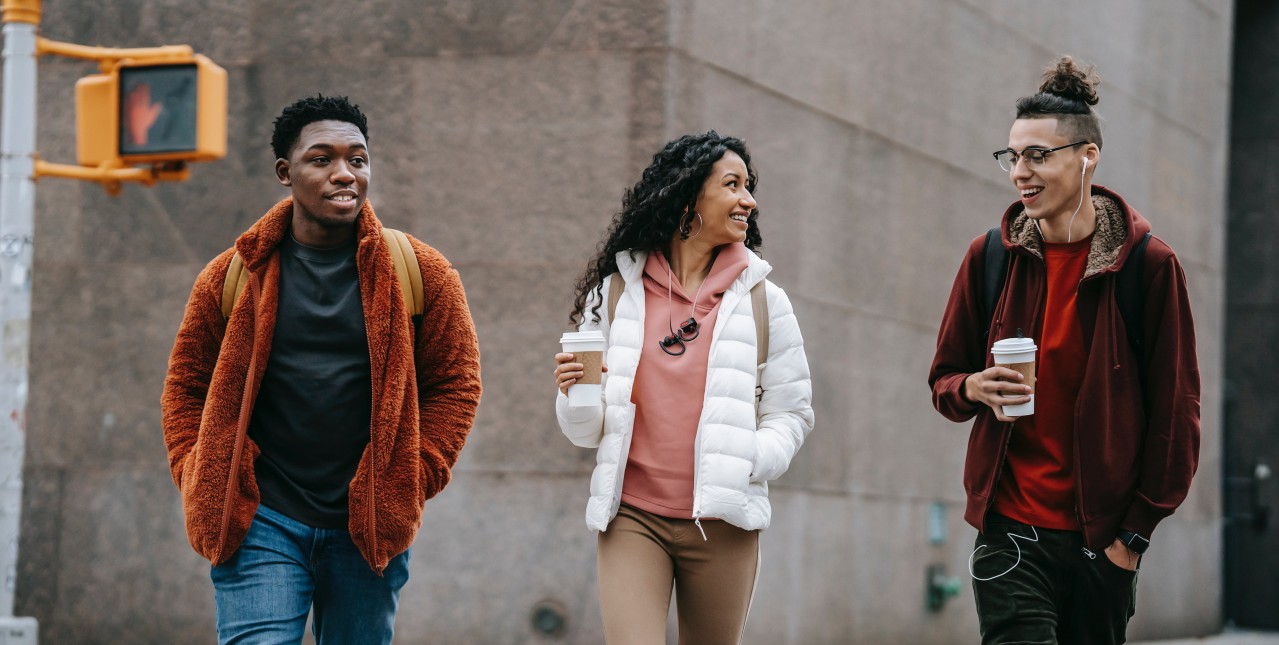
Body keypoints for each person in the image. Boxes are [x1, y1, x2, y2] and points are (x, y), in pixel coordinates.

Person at [161, 95, 482, 644]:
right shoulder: (233, 275)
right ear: (286, 173)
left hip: (368, 525)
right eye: (322, 159)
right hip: (261, 518)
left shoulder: (420, 271)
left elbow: (457, 384)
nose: (344, 174)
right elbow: (186, 386)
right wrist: (203, 474)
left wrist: (413, 473)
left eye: (357, 159)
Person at [928, 57, 1201, 644]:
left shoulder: (1148, 266)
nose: (1019, 173)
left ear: (1087, 157)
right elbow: (945, 382)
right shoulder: (990, 258)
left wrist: (1132, 538)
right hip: (1008, 530)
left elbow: (1176, 415)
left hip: (1100, 542)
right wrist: (973, 387)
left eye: (1037, 156)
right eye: (1012, 156)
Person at [553, 131, 814, 644]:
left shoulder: (766, 301)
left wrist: (749, 458)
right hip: (632, 517)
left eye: (749, 187)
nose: (750, 200)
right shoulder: (615, 291)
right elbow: (586, 431)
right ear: (689, 196)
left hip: (723, 524)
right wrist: (572, 397)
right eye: (733, 185)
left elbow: (792, 412)